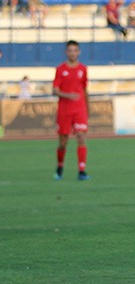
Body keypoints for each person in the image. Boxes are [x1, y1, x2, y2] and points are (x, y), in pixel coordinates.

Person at [53, 40, 91, 181]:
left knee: (81, 137)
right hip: (64, 110)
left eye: (75, 50)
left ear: (79, 52)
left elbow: (85, 89)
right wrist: (68, 95)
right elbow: (54, 90)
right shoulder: (60, 69)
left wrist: (87, 107)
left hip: (79, 109)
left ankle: (82, 171)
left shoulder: (83, 69)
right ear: (66, 52)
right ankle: (60, 167)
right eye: (70, 50)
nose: (73, 53)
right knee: (63, 142)